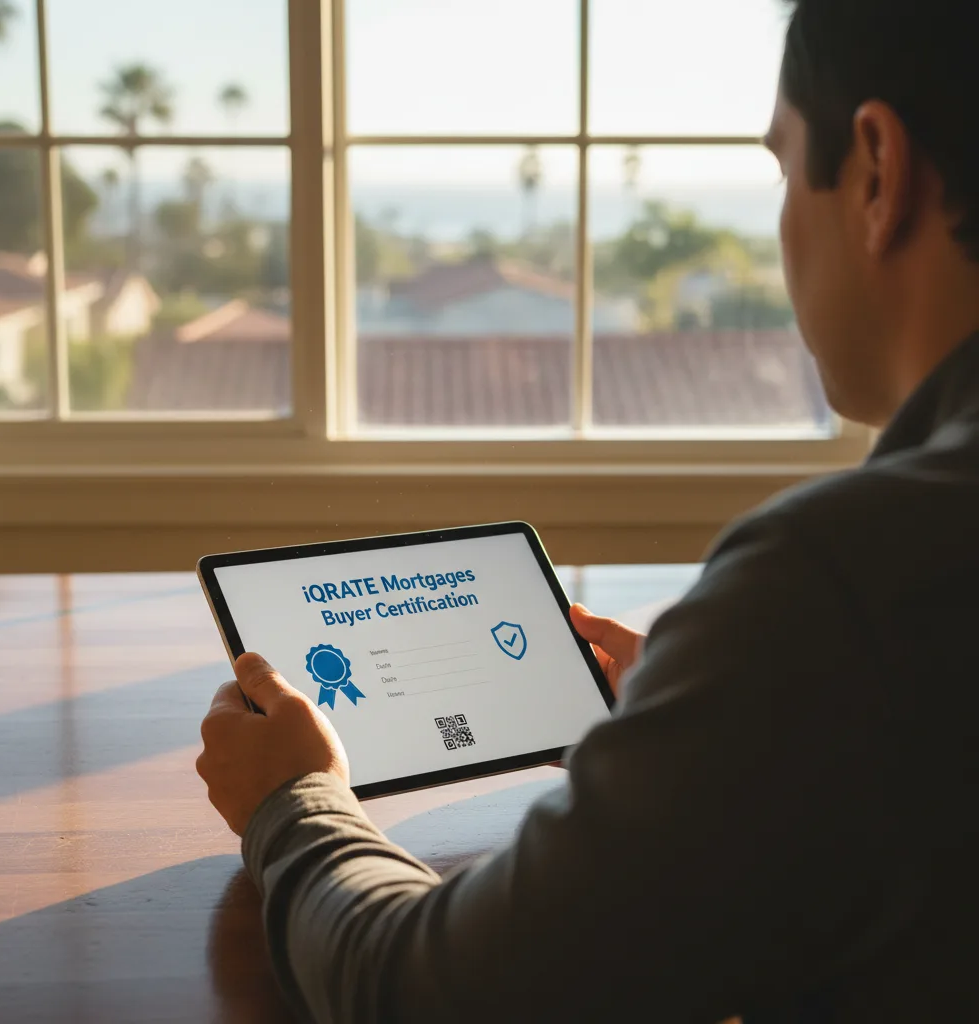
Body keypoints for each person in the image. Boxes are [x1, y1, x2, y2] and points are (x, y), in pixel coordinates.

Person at [196, 0, 979, 1018]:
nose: (784, 221)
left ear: (876, 171)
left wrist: (292, 804)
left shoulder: (835, 583)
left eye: (783, 168)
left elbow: (423, 991)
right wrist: (725, 719)